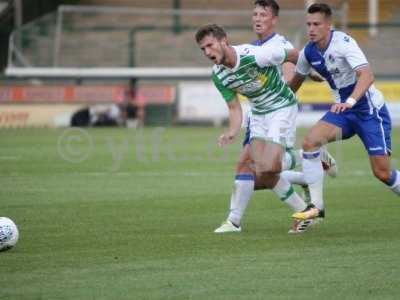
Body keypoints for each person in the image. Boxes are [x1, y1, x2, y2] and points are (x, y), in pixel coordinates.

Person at [211, 0, 336, 234]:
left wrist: (280, 99)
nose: (257, 19)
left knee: (262, 171)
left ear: (274, 19)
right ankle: (303, 195)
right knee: (256, 172)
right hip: (257, 115)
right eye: (255, 14)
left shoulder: (281, 45)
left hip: (277, 112)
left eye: (263, 15)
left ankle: (308, 160)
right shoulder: (251, 48)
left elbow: (291, 83)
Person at [195, 23, 313, 233]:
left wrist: (309, 72)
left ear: (224, 41)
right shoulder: (219, 75)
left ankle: (313, 156)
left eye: (210, 45)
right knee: (255, 170)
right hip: (258, 114)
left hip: (281, 107)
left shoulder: (256, 55)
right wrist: (232, 131)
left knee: (269, 166)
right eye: (203, 49)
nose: (207, 52)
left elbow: (293, 54)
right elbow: (233, 107)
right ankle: (304, 211)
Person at [288, 3, 400, 221]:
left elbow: (367, 75)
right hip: (343, 112)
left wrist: (349, 101)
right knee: (310, 142)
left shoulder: (344, 43)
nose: (311, 29)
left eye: (316, 24)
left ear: (329, 25)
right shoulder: (308, 52)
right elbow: (295, 82)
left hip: (369, 111)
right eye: (309, 24)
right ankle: (316, 208)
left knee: (382, 173)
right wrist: (277, 100)